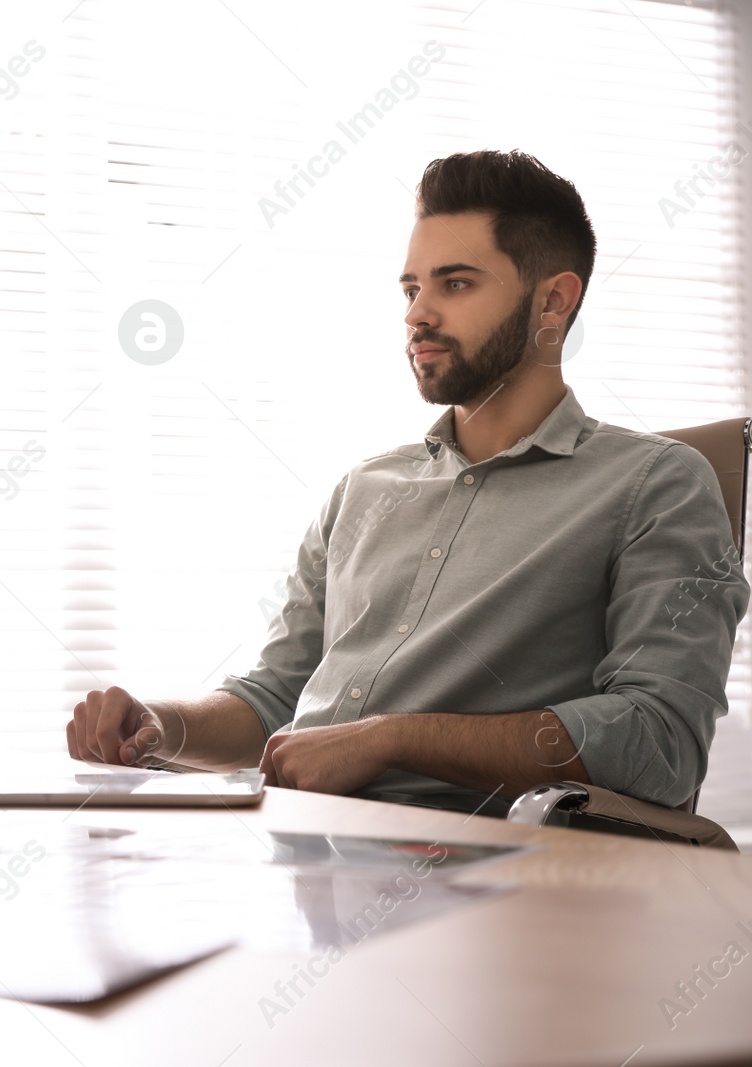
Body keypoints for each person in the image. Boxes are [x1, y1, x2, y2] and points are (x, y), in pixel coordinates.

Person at [67, 149, 750, 815]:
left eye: (455, 283)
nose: (417, 313)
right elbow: (276, 696)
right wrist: (162, 727)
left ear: (552, 301)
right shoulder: (363, 489)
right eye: (411, 287)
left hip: (477, 878)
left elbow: (660, 743)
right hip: (292, 841)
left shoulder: (656, 485)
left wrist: (394, 739)